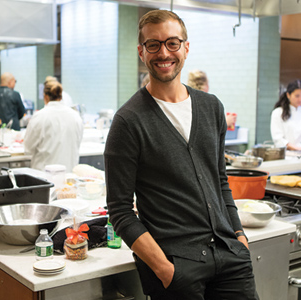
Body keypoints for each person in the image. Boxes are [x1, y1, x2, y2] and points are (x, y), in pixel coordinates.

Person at [104, 10, 259, 300]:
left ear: (186, 48)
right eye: (153, 45)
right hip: (177, 268)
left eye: (172, 43)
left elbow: (220, 181)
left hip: (230, 256)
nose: (164, 52)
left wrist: (239, 237)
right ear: (141, 52)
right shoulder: (128, 121)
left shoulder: (212, 107)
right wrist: (164, 269)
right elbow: (120, 211)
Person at [24, 80, 83, 172]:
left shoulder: (40, 116)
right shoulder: (75, 116)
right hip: (68, 175)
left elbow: (28, 148)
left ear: (45, 96)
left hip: (44, 176)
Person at [270, 79, 301, 151]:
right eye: (297, 96)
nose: (300, 99)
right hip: (287, 156)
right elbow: (278, 139)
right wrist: (297, 148)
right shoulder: (278, 113)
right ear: (288, 95)